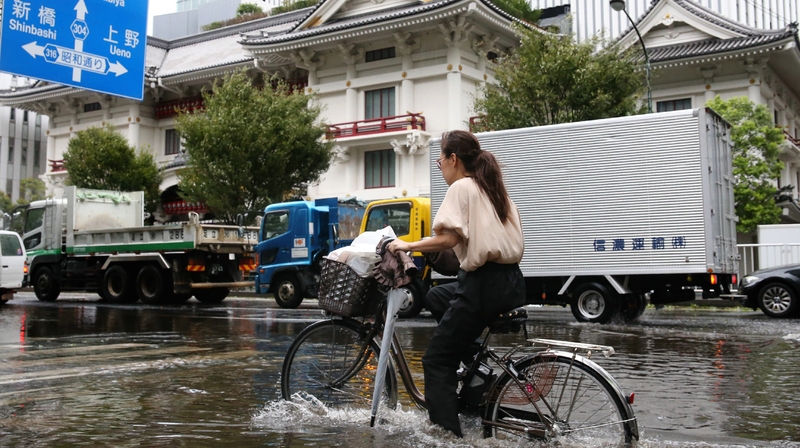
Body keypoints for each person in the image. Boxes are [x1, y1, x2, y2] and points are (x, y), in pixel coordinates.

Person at [387, 130, 525, 437]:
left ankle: (448, 436)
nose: (441, 168)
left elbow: (449, 238)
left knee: (436, 359)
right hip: (510, 282)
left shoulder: (463, 186)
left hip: (483, 286)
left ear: (453, 159)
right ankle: (478, 368)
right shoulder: (492, 187)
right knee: (437, 297)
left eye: (440, 162)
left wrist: (407, 245)